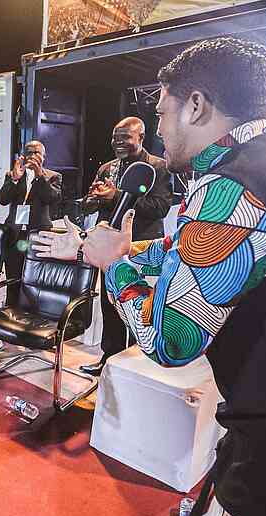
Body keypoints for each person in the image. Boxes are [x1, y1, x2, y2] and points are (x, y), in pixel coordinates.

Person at [31, 37, 266, 516]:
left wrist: (114, 266)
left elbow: (171, 343)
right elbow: (189, 248)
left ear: (197, 106)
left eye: (162, 112)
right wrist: (98, 248)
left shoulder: (231, 188)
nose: (158, 128)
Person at [78, 117, 171, 375]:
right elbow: (89, 205)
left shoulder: (158, 167)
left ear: (141, 137)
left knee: (140, 307)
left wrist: (117, 196)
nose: (118, 143)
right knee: (110, 306)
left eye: (125, 138)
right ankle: (109, 360)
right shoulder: (107, 168)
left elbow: (159, 208)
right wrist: (94, 199)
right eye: (115, 138)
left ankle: (138, 365)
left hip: (140, 250)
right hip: (108, 249)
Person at [0, 140, 64, 305]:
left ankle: (30, 315)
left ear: (43, 157)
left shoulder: (52, 176)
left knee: (35, 281)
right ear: (23, 156)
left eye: (37, 153)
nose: (32, 156)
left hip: (38, 236)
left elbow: (53, 198)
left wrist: (40, 176)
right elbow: (2, 199)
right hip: (15, 236)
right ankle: (10, 313)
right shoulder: (13, 174)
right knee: (13, 280)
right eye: (29, 152)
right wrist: (14, 179)